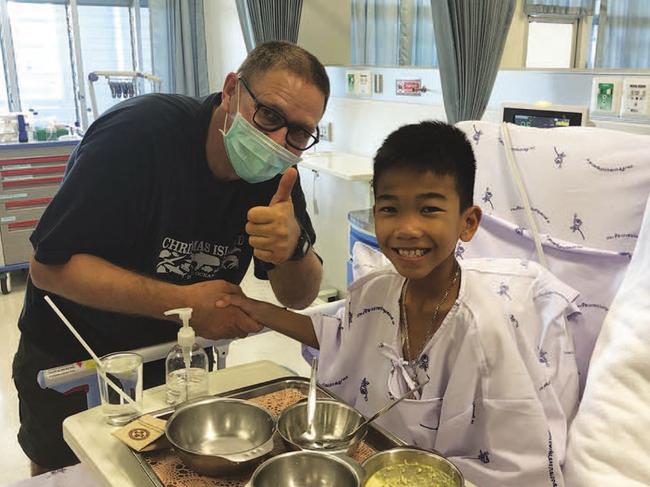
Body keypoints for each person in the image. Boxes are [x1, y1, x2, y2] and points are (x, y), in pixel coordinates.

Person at [13, 41, 328, 474]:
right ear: (232, 89)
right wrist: (184, 305)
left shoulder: (278, 175)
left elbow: (299, 295)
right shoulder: (138, 137)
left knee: (157, 471)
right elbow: (48, 267)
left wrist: (295, 248)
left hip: (171, 361)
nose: (278, 140)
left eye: (298, 132)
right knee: (66, 470)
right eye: (269, 114)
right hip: (77, 353)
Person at [216, 121, 580, 487]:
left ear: (467, 223)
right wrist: (259, 311)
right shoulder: (376, 292)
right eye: (390, 209)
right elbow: (340, 336)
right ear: (374, 215)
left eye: (429, 210)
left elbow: (518, 460)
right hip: (375, 464)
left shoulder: (483, 331)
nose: (407, 228)